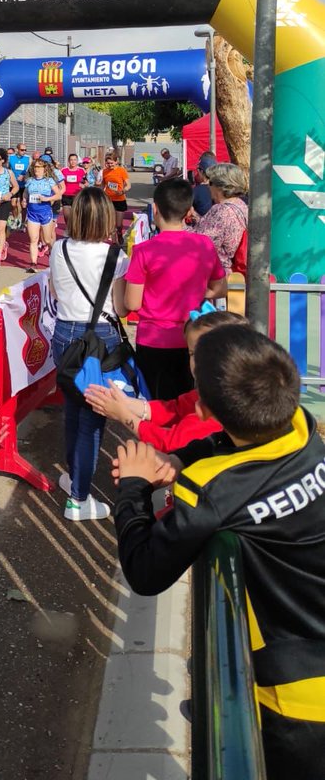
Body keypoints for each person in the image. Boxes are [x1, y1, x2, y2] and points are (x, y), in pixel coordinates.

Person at [113, 325, 325, 774]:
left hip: (298, 699)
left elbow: (145, 570)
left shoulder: (211, 491)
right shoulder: (303, 429)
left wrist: (133, 486)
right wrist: (182, 457)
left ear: (205, 408)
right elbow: (229, 443)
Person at [48, 187, 129, 521]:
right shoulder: (116, 257)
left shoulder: (58, 248)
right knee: (93, 421)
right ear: (107, 218)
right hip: (101, 340)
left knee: (72, 410)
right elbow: (122, 306)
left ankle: (72, 479)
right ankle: (79, 498)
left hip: (64, 335)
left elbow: (55, 289)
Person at [85, 309, 248, 451]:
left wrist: (124, 415)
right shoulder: (210, 392)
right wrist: (126, 403)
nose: (197, 361)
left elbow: (168, 442)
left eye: (207, 354)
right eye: (192, 353)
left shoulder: (220, 407)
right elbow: (174, 409)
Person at [125, 178, 227, 400]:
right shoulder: (204, 245)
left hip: (153, 340)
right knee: (187, 404)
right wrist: (198, 293)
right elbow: (220, 287)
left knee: (154, 407)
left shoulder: (143, 251)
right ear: (189, 210)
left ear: (155, 209)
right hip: (192, 339)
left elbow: (132, 303)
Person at [194, 162, 248, 275]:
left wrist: (179, 226)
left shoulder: (221, 210)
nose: (208, 185)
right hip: (233, 274)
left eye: (211, 182)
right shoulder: (241, 205)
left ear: (221, 186)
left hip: (216, 275)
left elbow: (201, 244)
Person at [23, 157, 63, 270]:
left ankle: (53, 254)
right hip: (32, 213)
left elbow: (58, 195)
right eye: (35, 167)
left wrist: (46, 199)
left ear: (44, 169)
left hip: (45, 213)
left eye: (39, 167)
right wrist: (24, 200)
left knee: (47, 240)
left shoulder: (49, 181)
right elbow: (26, 193)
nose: (37, 169)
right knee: (33, 239)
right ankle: (33, 263)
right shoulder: (30, 181)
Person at [101, 151, 131, 244]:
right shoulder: (104, 171)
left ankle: (119, 233)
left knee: (118, 224)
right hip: (109, 200)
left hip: (119, 200)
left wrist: (122, 191)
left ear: (116, 161)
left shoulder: (121, 170)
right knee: (111, 223)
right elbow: (103, 184)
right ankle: (114, 242)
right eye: (108, 163)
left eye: (111, 163)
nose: (109, 165)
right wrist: (101, 193)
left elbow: (128, 185)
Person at [59, 153, 87, 231]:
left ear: (77, 161)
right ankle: (69, 229)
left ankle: (77, 230)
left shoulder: (81, 170)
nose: (73, 162)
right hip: (66, 195)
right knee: (66, 215)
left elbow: (86, 182)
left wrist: (84, 185)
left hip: (77, 196)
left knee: (77, 215)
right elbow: (60, 183)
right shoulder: (64, 170)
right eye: (71, 160)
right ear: (68, 161)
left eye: (75, 160)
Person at [7, 142, 30, 229]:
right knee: (13, 204)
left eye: (25, 150)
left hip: (23, 185)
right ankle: (16, 217)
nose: (24, 151)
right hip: (13, 184)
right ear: (17, 150)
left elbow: (30, 171)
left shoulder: (28, 158)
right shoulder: (11, 158)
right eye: (22, 150)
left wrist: (24, 176)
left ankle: (22, 222)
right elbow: (7, 169)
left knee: (22, 204)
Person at [191, 151, 217, 218]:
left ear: (201, 171)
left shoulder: (197, 191)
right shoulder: (221, 188)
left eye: (198, 170)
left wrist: (193, 213)